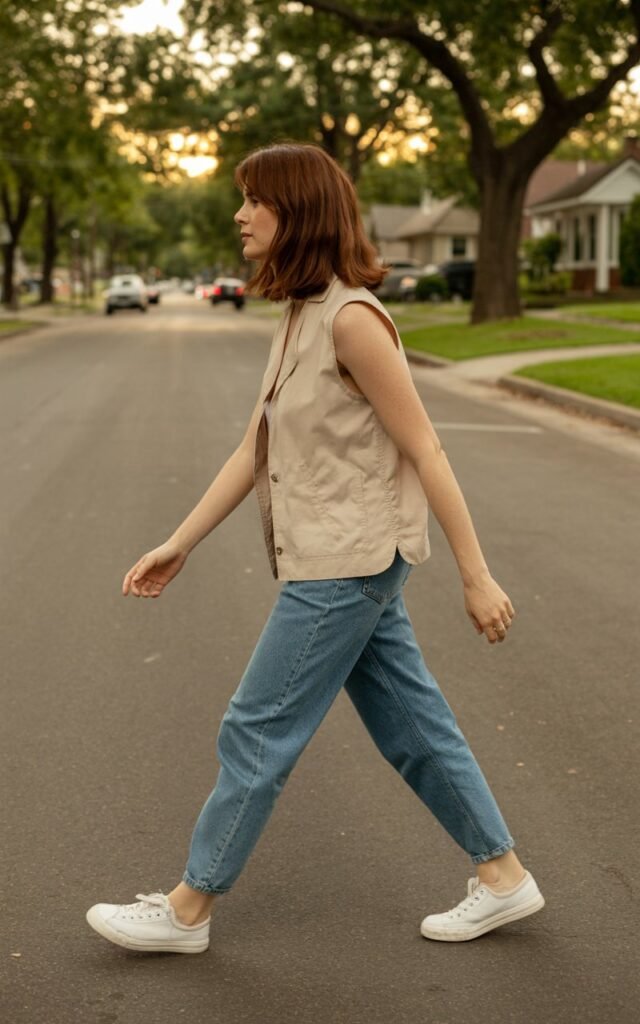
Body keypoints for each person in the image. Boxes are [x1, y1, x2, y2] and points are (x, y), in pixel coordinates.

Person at [86, 142, 544, 954]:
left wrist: (477, 576)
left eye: (253, 201)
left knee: (257, 725)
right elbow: (252, 451)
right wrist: (178, 543)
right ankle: (504, 876)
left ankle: (189, 908)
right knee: (412, 723)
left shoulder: (353, 320)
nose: (238, 215)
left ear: (295, 211)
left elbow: (427, 448)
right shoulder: (302, 312)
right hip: (340, 558)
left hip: (349, 564)